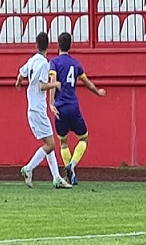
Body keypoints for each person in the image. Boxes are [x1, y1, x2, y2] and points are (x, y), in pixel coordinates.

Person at [48, 32, 106, 186]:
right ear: (70, 45)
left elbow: (53, 80)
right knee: (84, 138)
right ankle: (72, 166)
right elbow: (88, 83)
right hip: (73, 106)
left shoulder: (54, 62)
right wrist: (98, 92)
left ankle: (70, 169)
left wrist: (51, 103)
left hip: (60, 107)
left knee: (63, 142)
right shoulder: (76, 64)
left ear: (58, 45)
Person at [16, 32, 71, 189]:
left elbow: (20, 75)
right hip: (38, 110)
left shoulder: (32, 60)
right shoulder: (44, 63)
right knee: (51, 144)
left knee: (49, 142)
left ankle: (56, 178)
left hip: (32, 108)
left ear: (36, 45)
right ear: (49, 46)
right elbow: (41, 86)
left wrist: (18, 84)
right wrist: (55, 84)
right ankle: (29, 168)